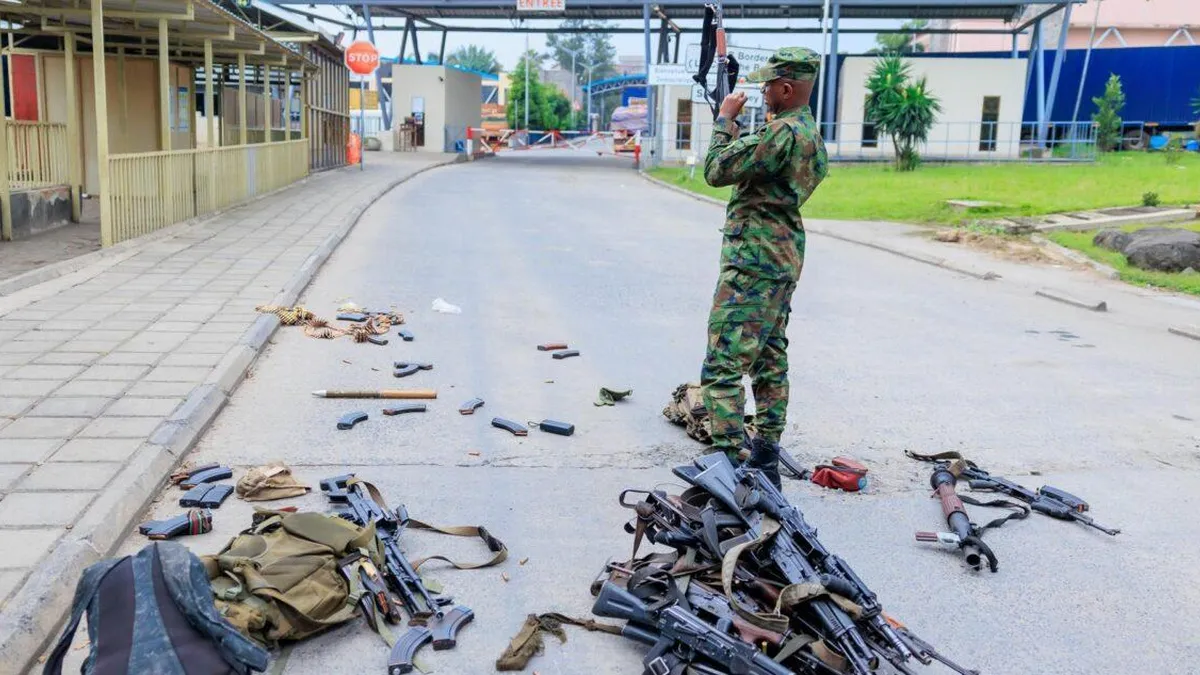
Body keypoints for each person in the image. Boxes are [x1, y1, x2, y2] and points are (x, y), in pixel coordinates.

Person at [698, 47, 829, 487]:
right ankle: (766, 457)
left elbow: (716, 170)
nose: (762, 90)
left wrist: (724, 119)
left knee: (722, 364)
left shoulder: (780, 136)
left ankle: (732, 467)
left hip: (752, 264)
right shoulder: (809, 134)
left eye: (769, 84)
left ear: (787, 88)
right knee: (770, 359)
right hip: (782, 257)